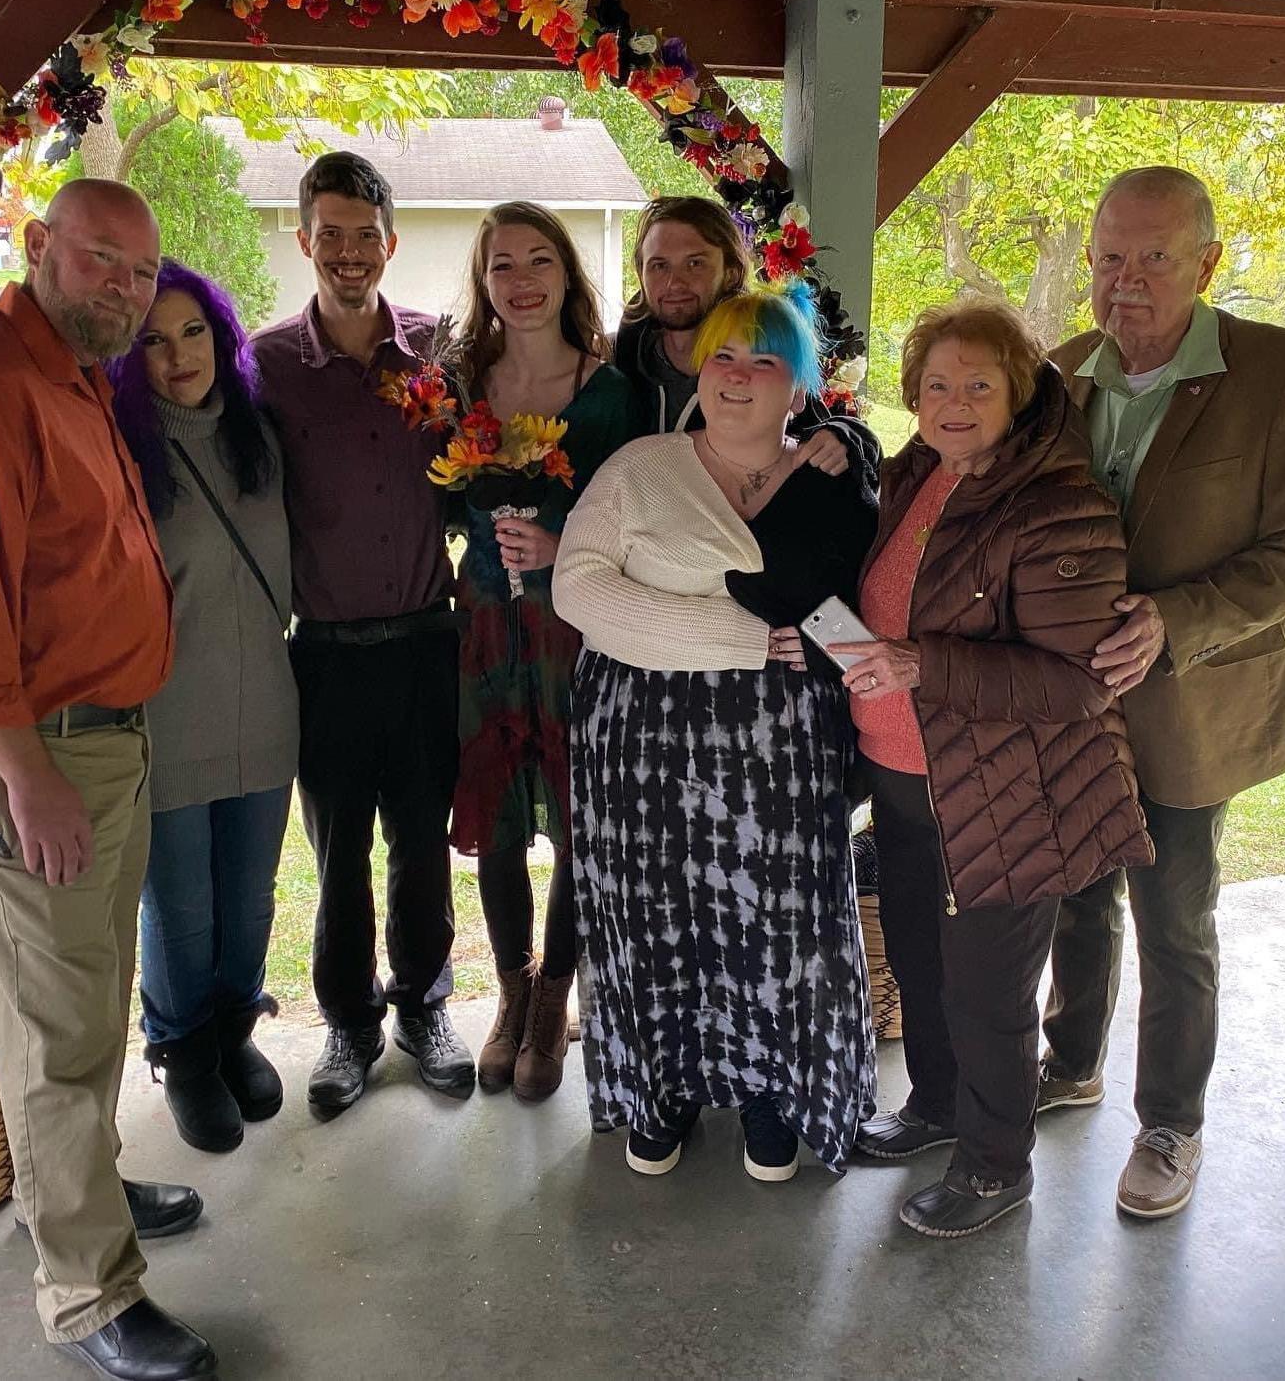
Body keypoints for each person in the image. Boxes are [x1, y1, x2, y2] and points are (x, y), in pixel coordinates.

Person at [0, 181, 215, 1379]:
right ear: (39, 247)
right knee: (52, 1022)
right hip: (31, 750)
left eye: (140, 274)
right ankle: (89, 1293)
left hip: (97, 740)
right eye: (101, 261)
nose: (125, 291)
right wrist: (25, 773)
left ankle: (82, 1190)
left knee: (88, 996)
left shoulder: (67, 374)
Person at [553, 280, 879, 1181]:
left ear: (802, 387)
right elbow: (577, 586)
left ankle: (774, 1095)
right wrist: (735, 639)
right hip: (640, 746)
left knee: (780, 923)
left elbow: (854, 607)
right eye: (724, 355)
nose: (739, 376)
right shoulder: (642, 468)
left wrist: (843, 665)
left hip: (781, 748)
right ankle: (663, 1088)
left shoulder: (834, 478)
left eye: (765, 360)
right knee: (652, 914)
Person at [1039, 166, 1285, 1218]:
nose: (1126, 280)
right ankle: (1071, 1063)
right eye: (1110, 257)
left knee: (1175, 919)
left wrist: (1178, 622)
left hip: (1194, 707)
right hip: (1069, 704)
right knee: (1074, 893)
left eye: (1154, 257)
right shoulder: (1060, 374)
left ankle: (1170, 1124)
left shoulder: (1284, 377)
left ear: (1206, 261)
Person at [847, 298, 1154, 1238]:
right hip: (903, 777)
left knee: (987, 992)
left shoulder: (1058, 501)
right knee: (926, 962)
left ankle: (994, 1169)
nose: (954, 401)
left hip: (1009, 796)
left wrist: (922, 663)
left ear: (1018, 390)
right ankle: (935, 1106)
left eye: (979, 383)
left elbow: (1077, 684)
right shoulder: (918, 479)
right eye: (936, 383)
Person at [251, 151, 474, 1111]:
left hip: (430, 643)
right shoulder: (265, 364)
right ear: (306, 239)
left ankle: (424, 1003)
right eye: (330, 234)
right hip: (329, 656)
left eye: (365, 235)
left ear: (392, 240)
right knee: (339, 852)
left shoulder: (440, 349)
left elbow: (492, 456)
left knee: (422, 839)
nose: (349, 252)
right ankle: (348, 1025)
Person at [449, 202, 639, 1100]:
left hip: (574, 628)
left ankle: (558, 995)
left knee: (575, 819)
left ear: (566, 273)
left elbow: (638, 518)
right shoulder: (458, 383)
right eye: (501, 267)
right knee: (495, 819)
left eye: (537, 262)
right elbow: (441, 502)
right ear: (483, 284)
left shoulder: (613, 390)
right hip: (487, 622)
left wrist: (561, 541)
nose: (521, 282)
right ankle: (513, 997)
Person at [108, 260, 298, 1154]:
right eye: (152, 339)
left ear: (221, 334)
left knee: (250, 894)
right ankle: (183, 1048)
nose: (178, 355)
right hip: (170, 708)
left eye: (192, 332)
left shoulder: (260, 435)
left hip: (265, 698)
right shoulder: (122, 449)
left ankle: (233, 1029)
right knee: (180, 900)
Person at [615, 195, 877, 480]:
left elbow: (829, 429)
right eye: (659, 265)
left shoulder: (761, 347)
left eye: (695, 264)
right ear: (641, 275)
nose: (675, 282)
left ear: (731, 272)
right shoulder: (632, 345)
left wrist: (845, 435)